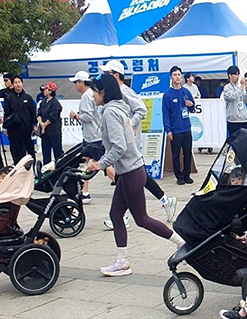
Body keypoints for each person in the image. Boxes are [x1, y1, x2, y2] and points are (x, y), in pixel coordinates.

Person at [85, 73, 186, 276]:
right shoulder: (116, 109)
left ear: (103, 92)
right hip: (129, 170)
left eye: (94, 92)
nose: (93, 95)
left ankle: (182, 243)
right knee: (116, 214)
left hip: (131, 172)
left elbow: (119, 147)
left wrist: (100, 164)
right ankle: (122, 261)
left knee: (141, 219)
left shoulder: (110, 112)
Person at [100, 60, 177, 225]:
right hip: (124, 142)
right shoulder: (113, 93)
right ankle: (164, 200)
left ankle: (122, 216)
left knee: (129, 176)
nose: (104, 77)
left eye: (107, 73)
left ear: (116, 75)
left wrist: (130, 123)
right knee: (133, 177)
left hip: (128, 142)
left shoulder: (124, 91)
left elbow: (141, 108)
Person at [69, 70, 105, 203]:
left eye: (76, 82)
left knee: (102, 164)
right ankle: (85, 192)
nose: (75, 85)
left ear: (82, 82)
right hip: (93, 135)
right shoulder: (92, 94)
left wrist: (76, 116)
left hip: (92, 137)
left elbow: (88, 116)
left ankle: (119, 183)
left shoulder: (86, 96)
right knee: (87, 162)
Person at [163, 66, 196, 185]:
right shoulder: (167, 95)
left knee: (187, 153)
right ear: (171, 77)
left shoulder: (186, 92)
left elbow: (193, 107)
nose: (177, 77)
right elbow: (165, 114)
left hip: (186, 128)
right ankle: (179, 176)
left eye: (179, 75)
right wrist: (168, 130)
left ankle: (187, 175)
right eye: (175, 75)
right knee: (176, 154)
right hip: (175, 130)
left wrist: (191, 105)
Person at [3, 75, 36, 162]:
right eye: (16, 82)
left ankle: (31, 170)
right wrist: (5, 127)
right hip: (13, 128)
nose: (18, 84)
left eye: (19, 82)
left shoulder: (28, 98)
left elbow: (33, 112)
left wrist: (35, 125)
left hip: (26, 128)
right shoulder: (9, 98)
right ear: (13, 84)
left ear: (22, 84)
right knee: (15, 150)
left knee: (30, 150)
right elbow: (7, 112)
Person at [36, 82, 63, 165]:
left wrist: (44, 125)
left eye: (46, 89)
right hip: (45, 133)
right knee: (46, 152)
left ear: (51, 91)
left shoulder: (55, 103)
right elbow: (39, 113)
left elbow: (53, 116)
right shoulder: (43, 102)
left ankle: (59, 168)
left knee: (57, 152)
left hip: (54, 131)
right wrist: (41, 123)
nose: (44, 90)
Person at [223, 65, 247, 135]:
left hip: (243, 119)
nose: (237, 76)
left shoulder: (241, 87)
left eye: (238, 74)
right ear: (229, 75)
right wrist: (242, 87)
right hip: (233, 120)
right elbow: (234, 97)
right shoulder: (227, 88)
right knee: (235, 142)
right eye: (235, 74)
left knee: (246, 142)